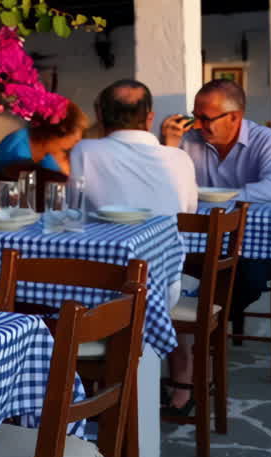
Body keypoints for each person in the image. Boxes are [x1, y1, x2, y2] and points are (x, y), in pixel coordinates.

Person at [68, 79, 200, 416]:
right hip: (164, 284)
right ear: (150, 116)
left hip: (100, 285)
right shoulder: (178, 159)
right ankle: (179, 375)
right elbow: (186, 214)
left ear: (99, 113)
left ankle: (80, 387)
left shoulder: (85, 151)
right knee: (177, 279)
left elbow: (73, 212)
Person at [160, 79, 271, 406]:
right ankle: (193, 351)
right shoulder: (187, 140)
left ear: (235, 117)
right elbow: (162, 185)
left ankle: (198, 340)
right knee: (168, 277)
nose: (198, 126)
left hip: (247, 245)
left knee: (249, 280)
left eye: (207, 118)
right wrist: (169, 145)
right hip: (194, 244)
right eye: (195, 117)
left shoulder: (266, 141)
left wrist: (224, 197)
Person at [68, 79, 198, 216]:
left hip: (109, 237)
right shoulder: (181, 158)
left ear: (100, 116)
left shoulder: (84, 151)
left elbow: (73, 207)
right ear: (150, 119)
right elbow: (190, 210)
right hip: (167, 237)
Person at [0, 100, 88, 176]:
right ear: (58, 132)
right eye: (74, 141)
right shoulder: (18, 149)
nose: (66, 151)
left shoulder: (46, 153)